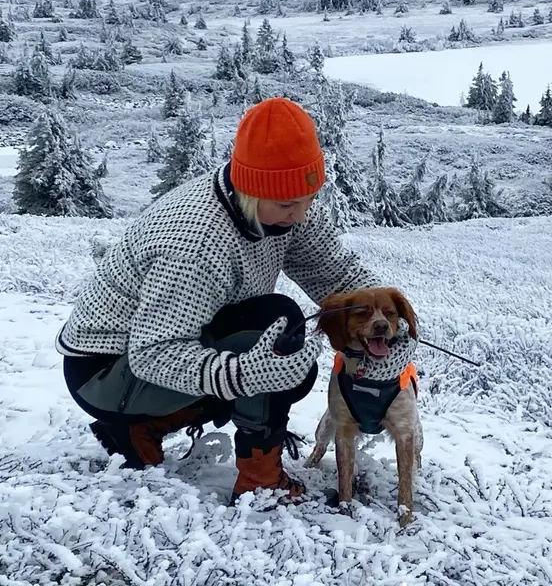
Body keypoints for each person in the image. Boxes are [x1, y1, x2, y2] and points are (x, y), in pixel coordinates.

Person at [56, 96, 392, 504]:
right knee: (278, 330)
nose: (302, 215)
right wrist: (245, 375)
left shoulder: (281, 207)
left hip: (156, 353)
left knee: (280, 350)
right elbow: (154, 354)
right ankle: (258, 479)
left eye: (309, 200)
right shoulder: (195, 243)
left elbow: (335, 273)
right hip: (106, 374)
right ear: (252, 190)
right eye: (289, 205)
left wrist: (392, 318)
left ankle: (140, 430)